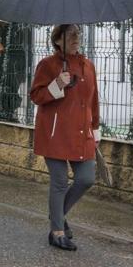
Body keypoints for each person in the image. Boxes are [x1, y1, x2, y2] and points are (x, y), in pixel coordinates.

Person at [29, 24, 101, 251]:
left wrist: (96, 129)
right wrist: (56, 84)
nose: (76, 38)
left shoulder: (88, 66)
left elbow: (94, 101)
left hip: (82, 133)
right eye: (71, 34)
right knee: (59, 182)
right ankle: (57, 231)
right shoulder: (47, 65)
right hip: (55, 133)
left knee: (86, 178)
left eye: (77, 34)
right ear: (58, 40)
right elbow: (36, 96)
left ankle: (56, 214)